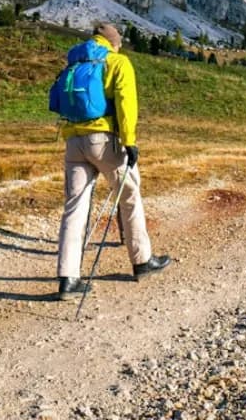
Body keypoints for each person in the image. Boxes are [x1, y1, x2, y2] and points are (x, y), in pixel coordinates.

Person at [55, 22, 170, 300]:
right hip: (104, 140)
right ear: (114, 42)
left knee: (74, 206)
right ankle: (142, 261)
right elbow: (126, 104)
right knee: (129, 193)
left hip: (73, 140)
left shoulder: (75, 62)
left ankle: (68, 278)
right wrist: (129, 142)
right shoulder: (117, 62)